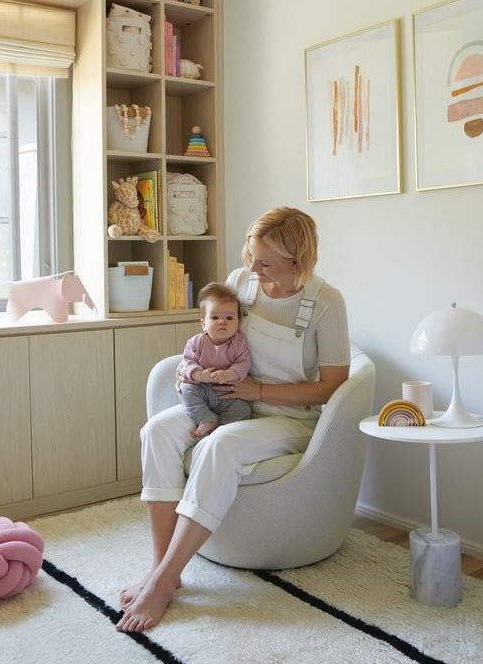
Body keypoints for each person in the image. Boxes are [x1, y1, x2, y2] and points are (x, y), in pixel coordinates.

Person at [117, 207, 350, 633]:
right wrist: (192, 367)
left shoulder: (325, 302)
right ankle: (160, 565)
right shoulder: (242, 283)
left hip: (288, 416)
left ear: (297, 262)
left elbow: (333, 385)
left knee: (219, 445)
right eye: (250, 255)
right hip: (227, 402)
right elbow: (213, 334)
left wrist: (259, 392)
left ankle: (165, 581)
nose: (251, 267)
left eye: (264, 262)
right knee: (156, 432)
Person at [179, 282, 252, 440]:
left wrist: (229, 374)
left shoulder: (239, 342)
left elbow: (244, 363)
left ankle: (220, 429)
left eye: (229, 317)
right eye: (215, 317)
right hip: (202, 389)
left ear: (238, 322)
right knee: (186, 390)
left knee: (243, 409)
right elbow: (187, 363)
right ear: (203, 322)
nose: (222, 322)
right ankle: (206, 418)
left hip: (228, 393)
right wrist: (199, 375)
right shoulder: (196, 342)